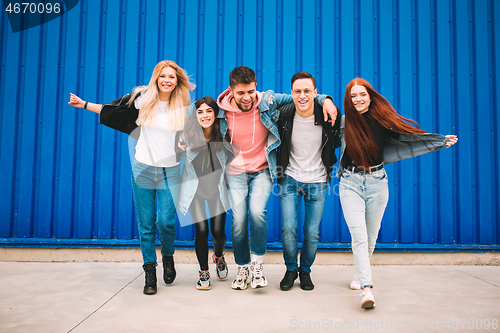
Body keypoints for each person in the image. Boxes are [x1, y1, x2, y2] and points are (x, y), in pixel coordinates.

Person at [68, 60, 195, 295]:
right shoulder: (143, 99)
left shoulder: (182, 103)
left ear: (177, 81)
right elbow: (112, 110)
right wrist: (84, 104)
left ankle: (168, 256)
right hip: (143, 168)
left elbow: (192, 132)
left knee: (166, 221)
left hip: (171, 170)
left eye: (172, 77)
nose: (167, 80)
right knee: (146, 224)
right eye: (163, 76)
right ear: (156, 78)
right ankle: (149, 270)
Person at [337, 78, 458, 308]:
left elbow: (411, 137)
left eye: (362, 95)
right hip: (349, 183)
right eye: (353, 96)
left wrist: (439, 142)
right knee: (359, 237)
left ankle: (358, 275)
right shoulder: (344, 123)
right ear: (348, 100)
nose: (358, 99)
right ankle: (366, 288)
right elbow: (323, 138)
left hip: (377, 183)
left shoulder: (382, 121)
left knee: (370, 237)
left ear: (370, 96)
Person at [216, 66, 338, 290]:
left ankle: (258, 264)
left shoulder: (267, 101)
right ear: (231, 90)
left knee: (257, 212)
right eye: (241, 92)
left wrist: (327, 99)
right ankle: (243, 267)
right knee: (239, 219)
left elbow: (303, 94)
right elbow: (201, 124)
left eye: (251, 91)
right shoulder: (220, 111)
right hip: (235, 172)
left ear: (256, 88)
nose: (247, 97)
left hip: (263, 169)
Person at [276, 72, 341, 291]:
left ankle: (305, 271)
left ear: (315, 93)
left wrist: (327, 100)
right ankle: (291, 269)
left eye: (307, 91)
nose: (302, 96)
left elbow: (340, 139)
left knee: (312, 231)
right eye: (297, 91)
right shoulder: (284, 114)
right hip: (290, 179)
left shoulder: (329, 115)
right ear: (291, 93)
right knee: (288, 228)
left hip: (318, 180)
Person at [177, 96, 233, 290]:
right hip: (194, 192)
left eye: (209, 110)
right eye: (200, 111)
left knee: (218, 232)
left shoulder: (224, 132)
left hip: (217, 190)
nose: (204, 115)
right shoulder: (187, 134)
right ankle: (203, 272)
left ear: (216, 114)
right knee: (201, 231)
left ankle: (219, 256)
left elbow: (229, 110)